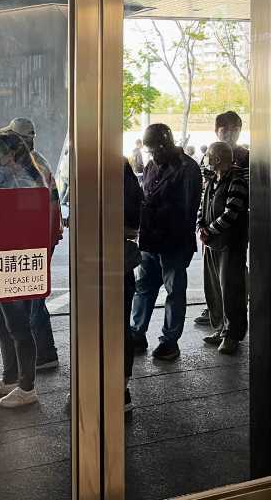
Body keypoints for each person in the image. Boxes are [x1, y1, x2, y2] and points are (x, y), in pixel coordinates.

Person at [0, 132, 44, 408]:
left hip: (18, 259)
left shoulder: (23, 179)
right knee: (7, 324)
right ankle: (11, 376)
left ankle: (27, 386)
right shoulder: (20, 175)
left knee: (18, 325)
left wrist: (3, 172)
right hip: (5, 256)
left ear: (13, 154)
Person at [131, 124, 202, 361]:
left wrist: (156, 211)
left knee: (174, 292)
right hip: (151, 240)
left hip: (173, 241)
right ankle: (137, 333)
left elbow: (187, 210)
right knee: (144, 287)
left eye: (154, 149)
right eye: (150, 151)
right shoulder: (152, 165)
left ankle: (170, 341)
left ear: (165, 144)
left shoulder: (188, 168)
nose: (153, 155)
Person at [1, 118, 61, 371]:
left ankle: (44, 354)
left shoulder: (30, 166)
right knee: (34, 297)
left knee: (32, 298)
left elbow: (28, 209)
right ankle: (45, 353)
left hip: (35, 240)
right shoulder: (39, 160)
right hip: (43, 237)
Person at [195, 110, 249, 328]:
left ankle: (233, 322)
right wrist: (202, 226)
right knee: (213, 278)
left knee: (232, 278)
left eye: (234, 129)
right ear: (217, 131)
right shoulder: (210, 155)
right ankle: (216, 314)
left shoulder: (246, 157)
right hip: (211, 230)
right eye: (224, 129)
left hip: (232, 231)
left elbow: (239, 201)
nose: (229, 134)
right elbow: (204, 191)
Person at [124, 158, 143, 413]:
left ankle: (120, 388)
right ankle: (121, 388)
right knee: (120, 325)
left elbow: (130, 227)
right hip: (122, 266)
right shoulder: (128, 181)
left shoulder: (119, 184)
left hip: (109, 264)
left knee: (115, 326)